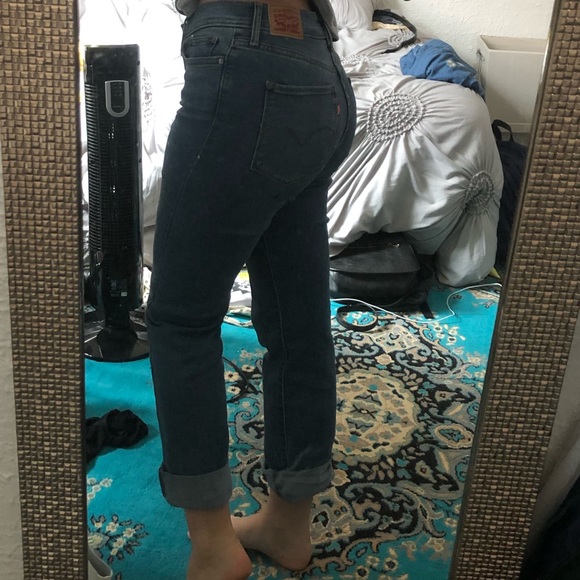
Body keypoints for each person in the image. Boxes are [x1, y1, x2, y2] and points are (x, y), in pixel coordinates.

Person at [145, 0, 356, 576]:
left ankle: (215, 547)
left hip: (244, 61)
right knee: (296, 324)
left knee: (180, 319)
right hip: (319, 63)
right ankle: (287, 525)